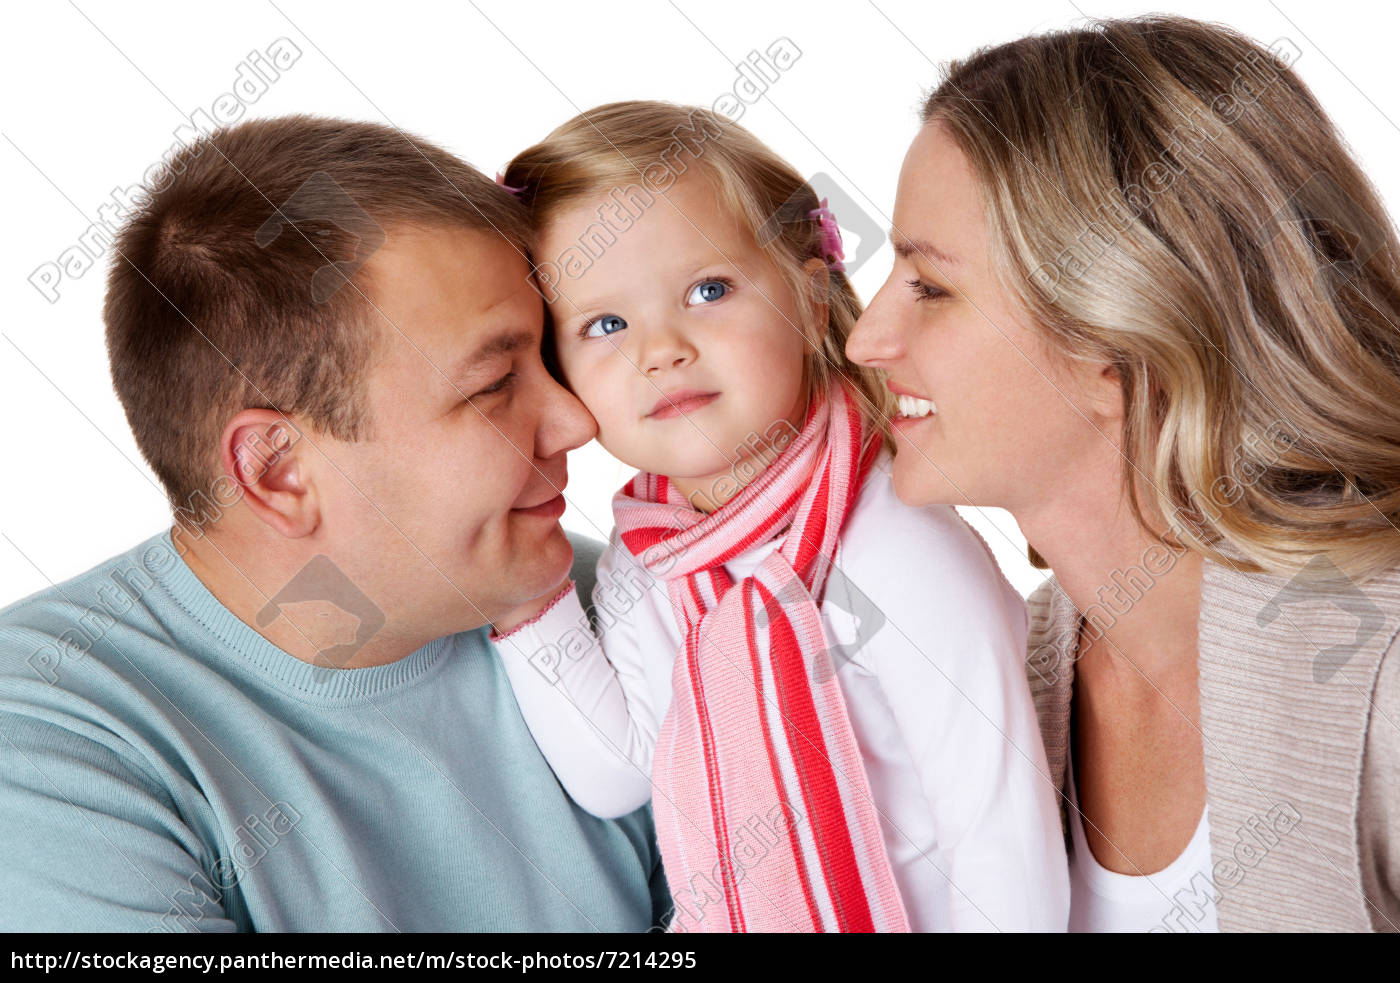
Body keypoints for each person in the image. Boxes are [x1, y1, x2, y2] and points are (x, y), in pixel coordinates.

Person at [0, 114, 670, 931]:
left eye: (552, 359)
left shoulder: (640, 608)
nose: (576, 420)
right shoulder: (48, 740)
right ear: (277, 470)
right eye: (495, 383)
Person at [846, 14, 1400, 932]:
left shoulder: (1378, 669)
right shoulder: (1002, 672)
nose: (867, 340)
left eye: (931, 287)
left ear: (1122, 338)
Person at [487, 101, 1069, 932]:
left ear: (809, 294)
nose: (662, 348)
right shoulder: (652, 552)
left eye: (708, 289)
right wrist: (521, 595)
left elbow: (1000, 832)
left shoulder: (892, 547)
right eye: (606, 324)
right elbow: (623, 767)